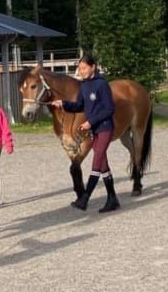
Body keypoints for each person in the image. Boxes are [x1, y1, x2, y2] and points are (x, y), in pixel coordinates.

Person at [49, 54, 119, 212]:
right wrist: (63, 104)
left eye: (84, 68)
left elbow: (109, 109)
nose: (81, 71)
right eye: (79, 68)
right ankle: (112, 198)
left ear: (93, 67)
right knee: (102, 164)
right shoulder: (84, 86)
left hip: (105, 127)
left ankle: (85, 198)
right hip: (95, 129)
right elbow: (79, 105)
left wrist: (90, 122)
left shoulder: (102, 85)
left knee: (97, 161)